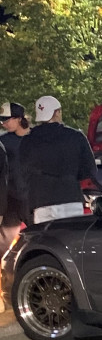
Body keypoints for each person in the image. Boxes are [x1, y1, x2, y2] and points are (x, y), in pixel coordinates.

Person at [20, 95, 97, 224]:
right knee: (72, 240)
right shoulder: (76, 137)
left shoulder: (27, 141)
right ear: (57, 113)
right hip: (70, 198)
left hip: (41, 202)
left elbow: (23, 173)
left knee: (46, 241)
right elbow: (89, 171)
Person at [0, 102, 31, 253]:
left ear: (19, 118)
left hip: (34, 200)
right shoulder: (3, 142)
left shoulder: (36, 139)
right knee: (4, 243)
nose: (3, 123)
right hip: (12, 200)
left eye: (6, 119)